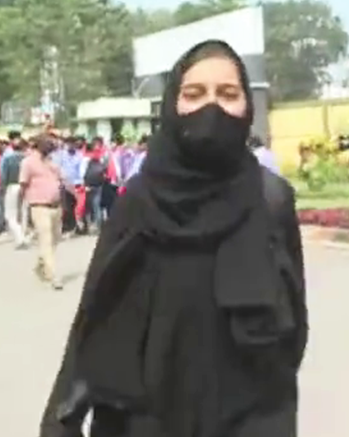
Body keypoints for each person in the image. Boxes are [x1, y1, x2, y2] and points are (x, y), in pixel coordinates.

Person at [39, 40, 307, 437]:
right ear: (171, 104)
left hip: (249, 414)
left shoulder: (270, 199)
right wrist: (62, 418)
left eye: (228, 94)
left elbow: (293, 325)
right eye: (194, 94)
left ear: (247, 107)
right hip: (147, 416)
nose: (211, 108)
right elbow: (96, 313)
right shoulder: (139, 201)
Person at [19, 134, 64, 290]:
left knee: (55, 239)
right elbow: (23, 184)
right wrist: (23, 205)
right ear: (38, 145)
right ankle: (53, 276)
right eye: (47, 143)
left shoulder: (52, 163)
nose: (50, 146)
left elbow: (61, 181)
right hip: (39, 207)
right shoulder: (28, 163)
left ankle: (41, 264)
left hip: (56, 206)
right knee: (46, 239)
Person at [0, 138, 29, 248]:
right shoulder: (27, 159)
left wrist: (2, 188)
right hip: (25, 186)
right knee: (24, 213)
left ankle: (20, 238)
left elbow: (4, 176)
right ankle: (24, 236)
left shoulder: (8, 159)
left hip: (12, 186)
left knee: (10, 215)